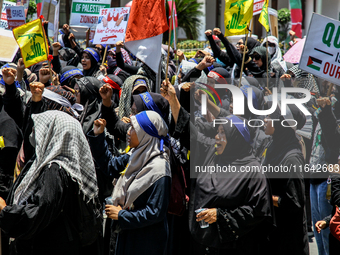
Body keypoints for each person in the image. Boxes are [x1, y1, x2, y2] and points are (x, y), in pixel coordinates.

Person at [0, 110, 99, 255]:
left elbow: (39, 211)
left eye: (38, 128)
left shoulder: (55, 170)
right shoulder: (70, 167)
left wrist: (5, 211)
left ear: (53, 133)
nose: (33, 133)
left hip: (47, 245)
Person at [93, 111, 171, 255]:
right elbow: (110, 166)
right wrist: (98, 136)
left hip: (145, 242)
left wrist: (122, 215)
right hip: (127, 235)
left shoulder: (160, 168)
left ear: (146, 134)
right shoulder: (136, 155)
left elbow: (155, 212)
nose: (128, 132)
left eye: (134, 128)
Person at [263, 102, 309, 255]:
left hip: (288, 240)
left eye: (270, 116)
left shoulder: (292, 158)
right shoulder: (273, 147)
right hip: (273, 232)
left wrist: (266, 198)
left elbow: (293, 203)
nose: (265, 119)